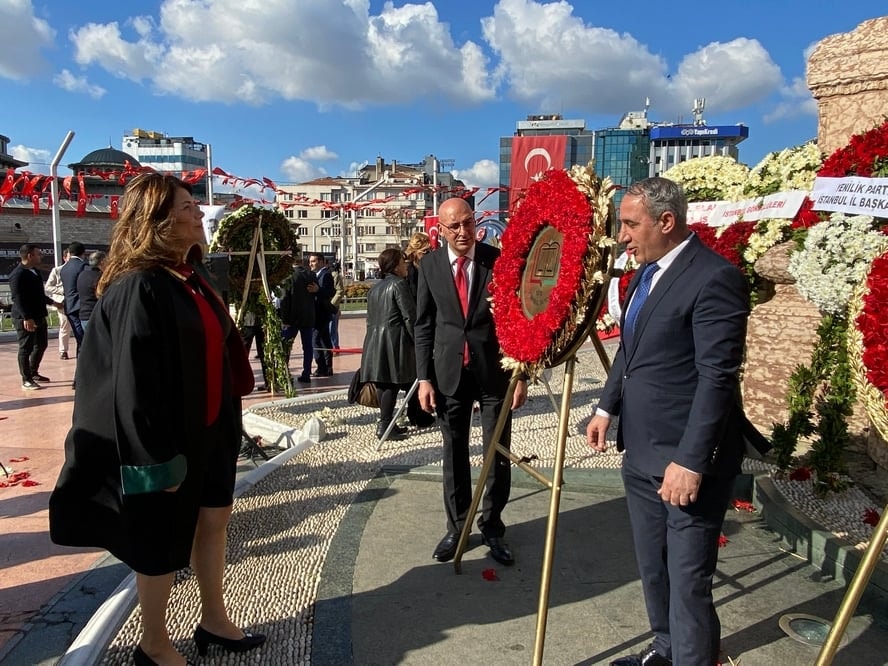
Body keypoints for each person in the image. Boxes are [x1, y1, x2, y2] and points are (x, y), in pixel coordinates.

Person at [49, 173, 265, 666]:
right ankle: (154, 642)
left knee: (214, 522)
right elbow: (130, 383)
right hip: (167, 442)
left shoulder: (193, 279)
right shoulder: (139, 287)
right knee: (160, 541)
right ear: (159, 220)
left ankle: (213, 619)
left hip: (211, 431)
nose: (198, 215)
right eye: (188, 206)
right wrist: (153, 462)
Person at [586, 177, 751, 666]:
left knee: (687, 582)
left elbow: (716, 378)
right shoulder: (645, 276)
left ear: (666, 221)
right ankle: (665, 651)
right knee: (654, 570)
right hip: (640, 452)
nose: (622, 235)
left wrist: (690, 460)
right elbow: (630, 352)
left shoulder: (714, 278)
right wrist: (605, 407)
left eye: (630, 223)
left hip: (686, 463)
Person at [415, 197, 527, 567]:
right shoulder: (429, 266)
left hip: (495, 374)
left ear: (475, 221)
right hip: (448, 374)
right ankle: (458, 527)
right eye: (454, 226)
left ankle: (493, 527)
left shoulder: (498, 261)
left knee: (497, 454)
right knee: (454, 453)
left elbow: (517, 320)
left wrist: (521, 374)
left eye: (467, 223)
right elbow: (423, 325)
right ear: (441, 230)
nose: (462, 232)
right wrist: (423, 378)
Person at [360, 248, 416, 440]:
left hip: (375, 339)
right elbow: (409, 316)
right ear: (395, 265)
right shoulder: (399, 284)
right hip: (394, 340)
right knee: (391, 383)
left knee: (385, 383)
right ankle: (385, 426)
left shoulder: (375, 287)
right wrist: (418, 340)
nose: (406, 264)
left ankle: (386, 422)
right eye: (403, 261)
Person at [403, 232, 436, 429]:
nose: (428, 254)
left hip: (424, 321)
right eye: (425, 251)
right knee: (418, 372)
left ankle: (420, 411)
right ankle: (417, 413)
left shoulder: (422, 266)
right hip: (416, 324)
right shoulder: (411, 270)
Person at [10, 244, 51, 390]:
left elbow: (39, 294)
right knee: (25, 348)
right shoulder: (18, 274)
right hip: (25, 317)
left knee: (41, 344)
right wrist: (26, 317)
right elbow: (17, 298)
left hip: (39, 315)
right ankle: (26, 379)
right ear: (30, 256)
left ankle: (33, 372)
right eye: (38, 254)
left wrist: (54, 303)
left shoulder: (34, 271)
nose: (41, 256)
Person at [279, 258, 319, 384]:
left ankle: (284, 372)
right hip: (308, 317)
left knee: (285, 345)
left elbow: (284, 298)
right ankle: (306, 373)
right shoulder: (311, 275)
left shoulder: (288, 276)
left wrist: (284, 318)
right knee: (307, 347)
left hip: (292, 318)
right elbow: (315, 293)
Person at [309, 252, 335, 376]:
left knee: (315, 340)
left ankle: (321, 367)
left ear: (320, 261)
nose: (311, 264)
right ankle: (328, 366)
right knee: (325, 340)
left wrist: (318, 290)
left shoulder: (326, 275)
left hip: (321, 314)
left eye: (313, 261)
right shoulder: (315, 275)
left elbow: (330, 292)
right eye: (310, 262)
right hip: (318, 314)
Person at [60, 241, 87, 353]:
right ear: (83, 253)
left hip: (69, 306)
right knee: (85, 339)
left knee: (79, 338)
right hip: (82, 306)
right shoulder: (83, 266)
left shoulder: (64, 268)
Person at [44, 249, 72, 359]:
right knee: (65, 326)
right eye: (70, 257)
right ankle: (63, 351)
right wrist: (62, 290)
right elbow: (48, 287)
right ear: (65, 258)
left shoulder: (80, 269)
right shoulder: (57, 270)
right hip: (62, 302)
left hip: (76, 301)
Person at [75, 250, 106, 332]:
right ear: (102, 261)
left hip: (84, 315)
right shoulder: (100, 277)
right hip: (96, 316)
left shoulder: (82, 274)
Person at [328, 261, 344, 355]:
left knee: (332, 328)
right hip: (323, 307)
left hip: (332, 307)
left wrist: (332, 305)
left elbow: (340, 291)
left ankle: (335, 348)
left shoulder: (335, 275)